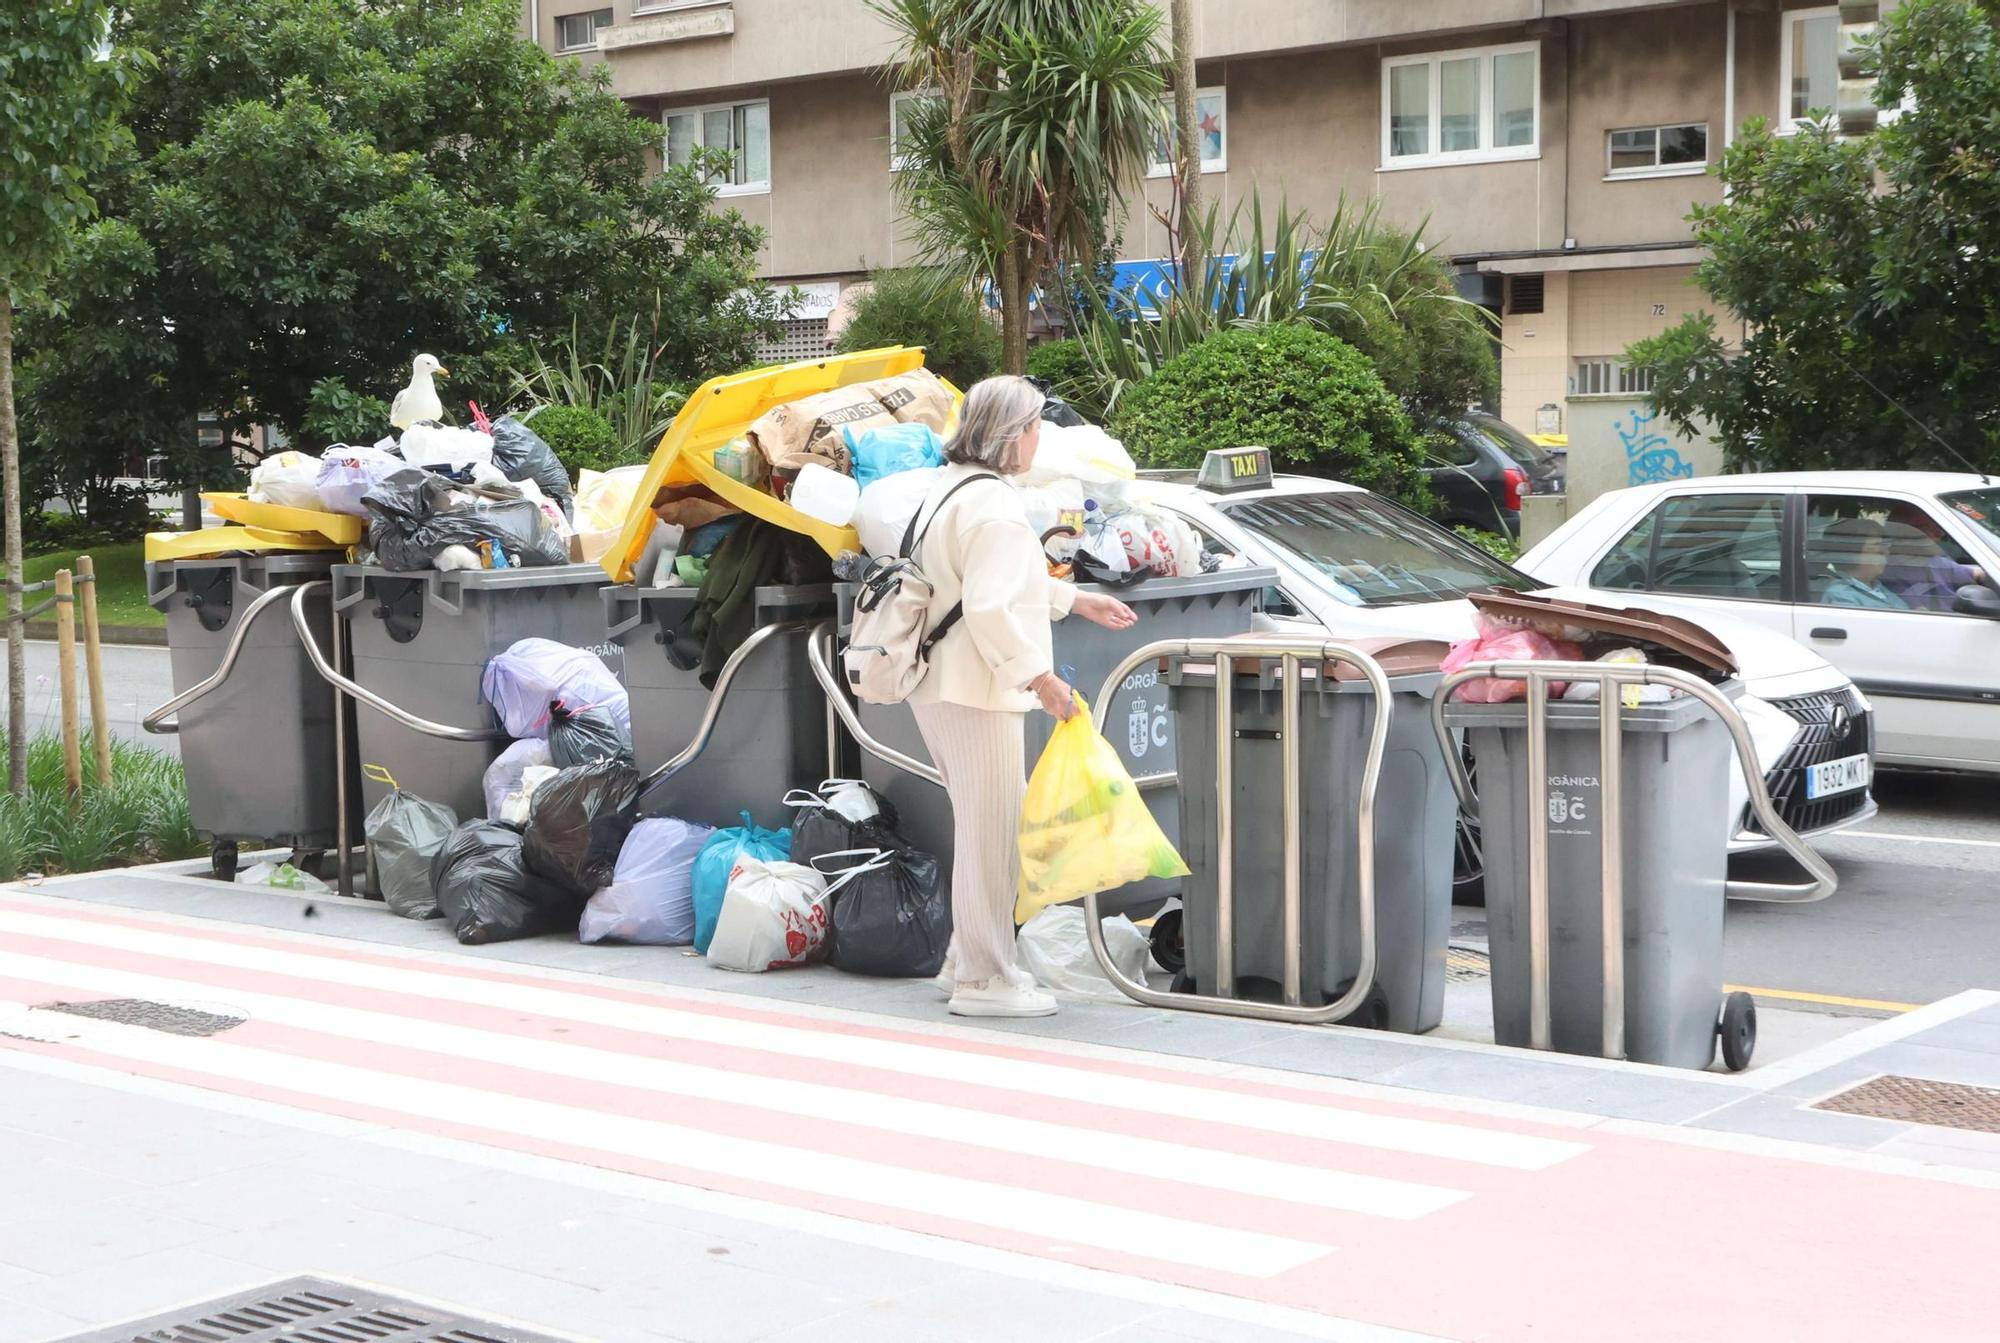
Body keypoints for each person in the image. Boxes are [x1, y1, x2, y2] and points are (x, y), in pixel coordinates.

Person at [906, 375, 1138, 1018]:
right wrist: (1043, 680)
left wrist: (1075, 599)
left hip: (941, 685)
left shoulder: (951, 490)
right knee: (992, 835)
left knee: (979, 829)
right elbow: (989, 608)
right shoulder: (995, 505)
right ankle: (985, 978)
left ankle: (964, 958)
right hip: (977, 691)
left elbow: (985, 584)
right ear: (1013, 435)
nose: (1041, 437)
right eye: (1036, 425)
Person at [1819, 517, 1910, 609]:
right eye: (1877, 546)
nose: (1886, 552)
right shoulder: (1841, 593)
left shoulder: (1878, 588)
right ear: (1854, 553)